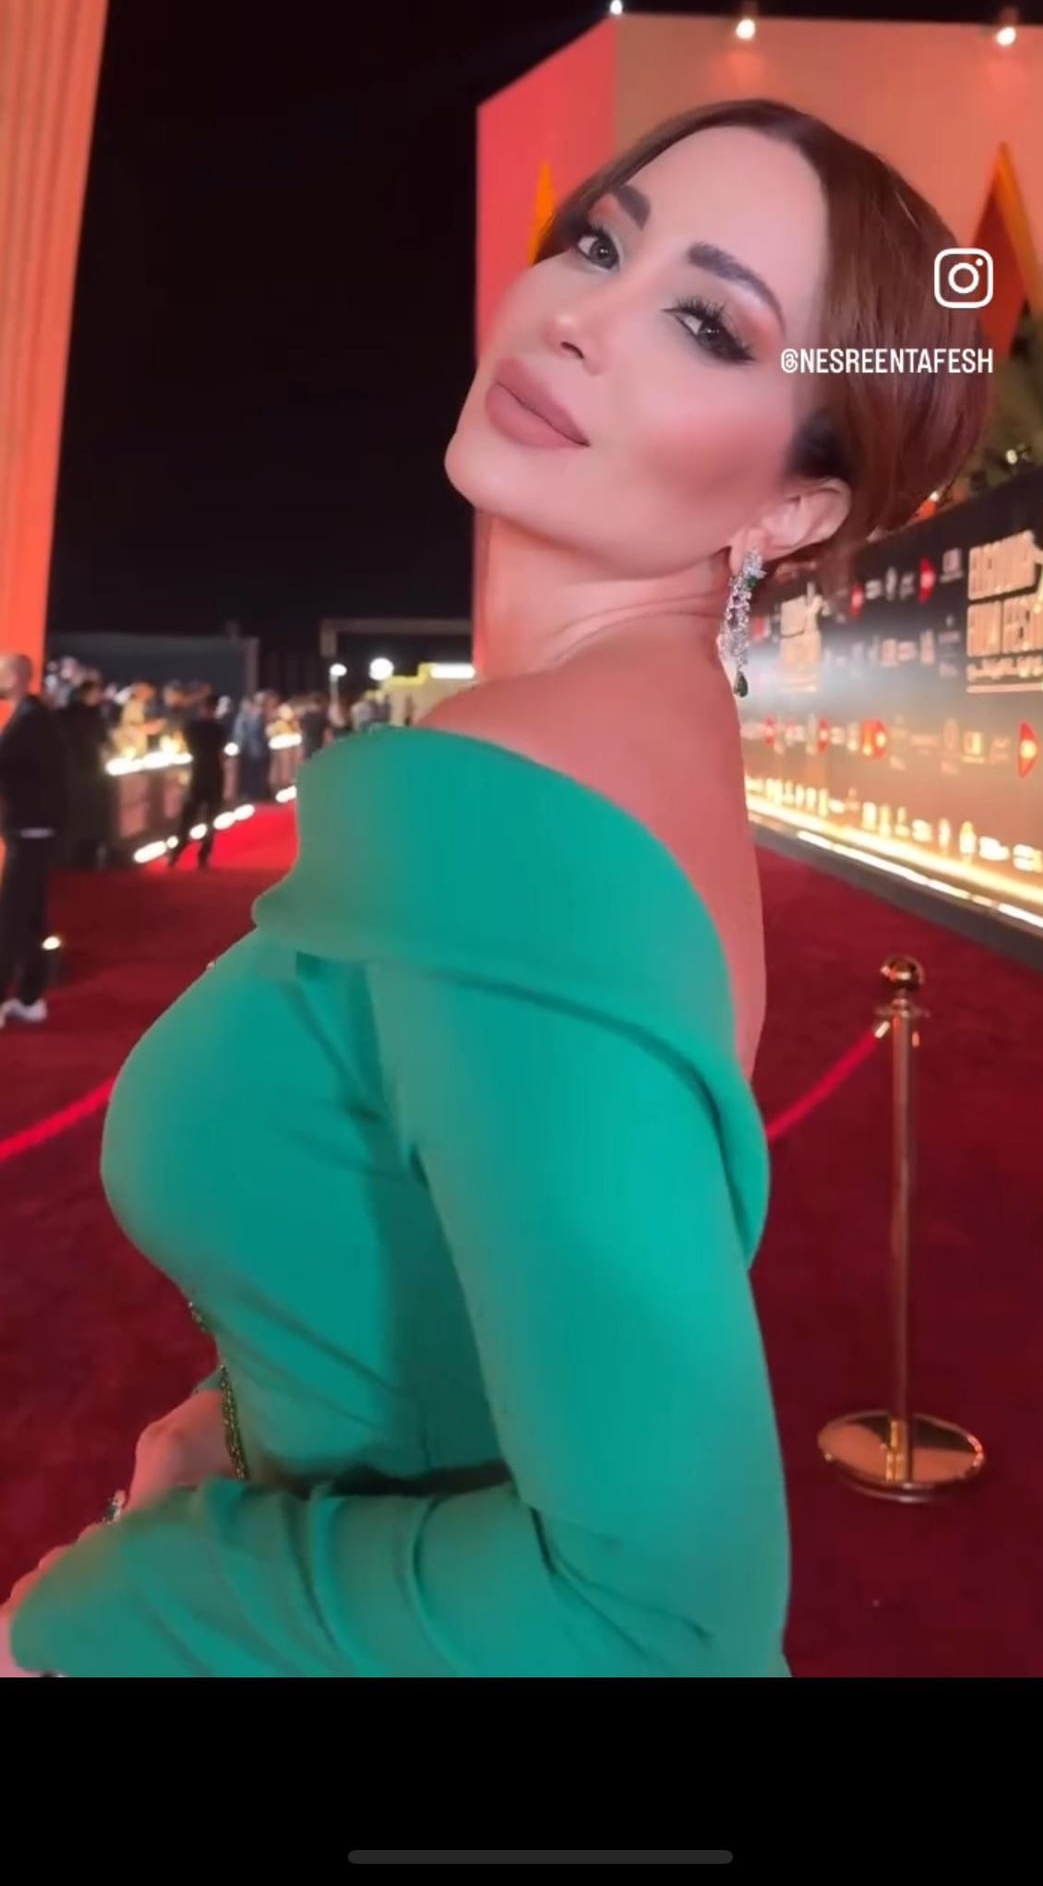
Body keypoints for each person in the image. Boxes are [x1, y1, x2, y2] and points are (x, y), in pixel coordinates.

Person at [1, 99, 990, 1677]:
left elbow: (662, 1620)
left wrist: (110, 1602)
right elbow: (436, 1252)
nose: (582, 315)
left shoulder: (528, 785)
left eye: (707, 323)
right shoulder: (625, 743)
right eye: (600, 242)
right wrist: (241, 1416)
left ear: (793, 507)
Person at [0, 653, 68, 1031]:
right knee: (30, 918)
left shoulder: (29, 721)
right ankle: (30, 998)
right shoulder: (34, 717)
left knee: (10, 919)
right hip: (37, 831)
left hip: (30, 832)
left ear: (14, 677)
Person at [168, 693, 227, 869]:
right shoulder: (219, 729)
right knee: (210, 817)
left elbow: (188, 747)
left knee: (188, 816)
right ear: (216, 708)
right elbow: (221, 752)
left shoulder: (190, 727)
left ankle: (176, 852)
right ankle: (203, 855)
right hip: (215, 774)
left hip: (198, 773)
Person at [56, 677, 110, 869]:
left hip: (74, 769)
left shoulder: (64, 714)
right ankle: (85, 854)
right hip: (88, 769)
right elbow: (104, 741)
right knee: (88, 814)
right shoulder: (94, 715)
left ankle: (73, 854)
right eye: (96, 693)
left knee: (76, 814)